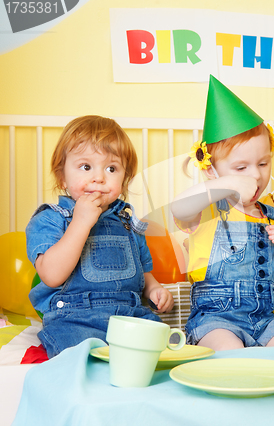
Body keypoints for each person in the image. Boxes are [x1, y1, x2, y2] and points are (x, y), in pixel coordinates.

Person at [171, 75, 274, 350]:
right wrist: (225, 186)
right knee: (232, 355)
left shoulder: (270, 214)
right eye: (241, 168)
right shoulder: (208, 209)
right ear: (211, 170)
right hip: (216, 320)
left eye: (263, 163)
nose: (255, 175)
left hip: (266, 321)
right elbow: (178, 208)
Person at [26, 115, 174, 358]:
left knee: (165, 348)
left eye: (111, 168)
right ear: (62, 176)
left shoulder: (128, 222)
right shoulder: (51, 219)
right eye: (86, 167)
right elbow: (51, 276)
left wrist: (155, 289)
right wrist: (80, 222)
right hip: (75, 319)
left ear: (124, 179)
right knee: (80, 356)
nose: (99, 177)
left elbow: (143, 273)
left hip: (129, 316)